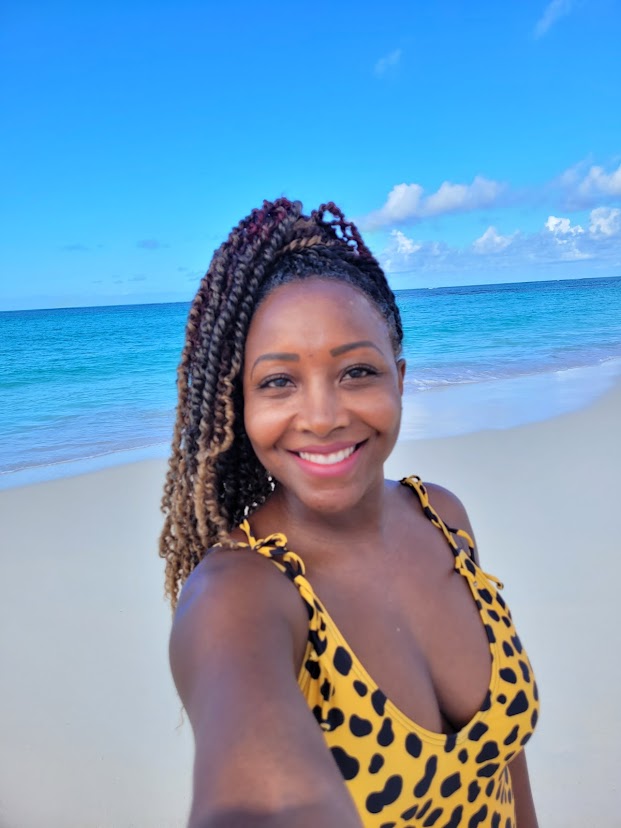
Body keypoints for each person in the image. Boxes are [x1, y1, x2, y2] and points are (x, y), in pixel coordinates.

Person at [159, 198, 539, 828]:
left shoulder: (443, 517)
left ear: (400, 379)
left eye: (357, 371)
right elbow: (253, 793)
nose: (323, 417)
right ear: (238, 404)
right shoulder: (238, 593)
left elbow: (504, 764)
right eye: (278, 381)